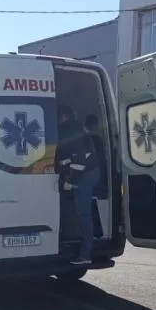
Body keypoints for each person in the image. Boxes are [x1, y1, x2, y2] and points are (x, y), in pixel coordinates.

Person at [56, 105, 100, 266]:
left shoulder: (70, 129)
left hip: (85, 175)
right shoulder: (75, 127)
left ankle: (85, 254)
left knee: (84, 215)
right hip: (89, 172)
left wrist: (70, 181)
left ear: (62, 117)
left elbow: (79, 160)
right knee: (82, 212)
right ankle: (87, 243)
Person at [83, 114, 108, 200]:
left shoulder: (92, 139)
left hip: (91, 180)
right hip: (96, 179)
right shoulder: (96, 140)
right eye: (95, 125)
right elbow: (102, 161)